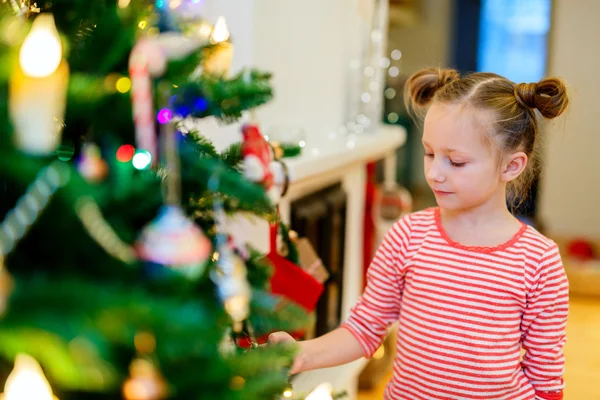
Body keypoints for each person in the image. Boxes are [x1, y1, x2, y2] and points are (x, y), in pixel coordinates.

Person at [268, 67, 570, 400]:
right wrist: (302, 354)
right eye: (429, 154)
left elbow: (546, 380)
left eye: (455, 161)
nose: (434, 174)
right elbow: (365, 328)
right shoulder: (408, 236)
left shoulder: (539, 261)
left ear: (511, 166)